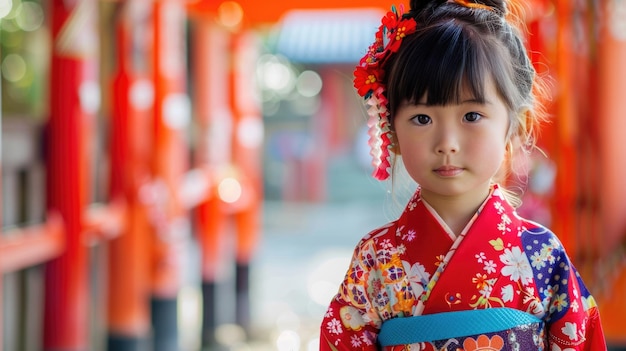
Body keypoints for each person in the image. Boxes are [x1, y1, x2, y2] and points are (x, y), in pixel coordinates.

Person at [319, 0, 607, 350]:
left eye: (471, 116)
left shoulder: (542, 254)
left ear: (517, 127)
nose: (447, 143)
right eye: (422, 119)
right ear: (390, 131)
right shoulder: (376, 258)